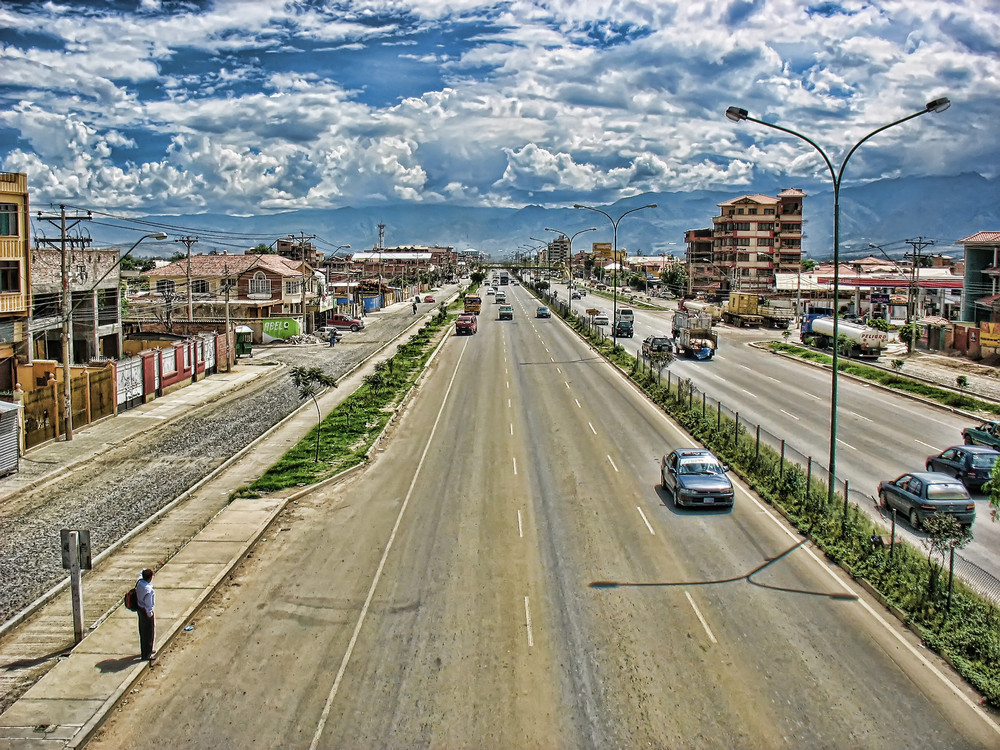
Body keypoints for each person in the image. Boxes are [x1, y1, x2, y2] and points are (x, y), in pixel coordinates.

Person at [135, 568, 156, 660]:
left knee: (142, 631)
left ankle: (147, 650)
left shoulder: (139, 583)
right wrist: (150, 614)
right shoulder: (149, 590)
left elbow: (141, 571)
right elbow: (149, 604)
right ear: (150, 578)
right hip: (146, 612)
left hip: (139, 608)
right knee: (148, 633)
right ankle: (147, 654)